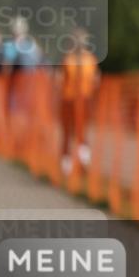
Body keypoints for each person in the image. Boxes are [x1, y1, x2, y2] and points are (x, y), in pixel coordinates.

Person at [59, 28, 100, 176]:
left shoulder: (90, 60)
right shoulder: (68, 59)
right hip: (68, 100)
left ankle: (83, 162)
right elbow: (61, 80)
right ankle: (66, 165)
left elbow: (95, 80)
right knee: (67, 133)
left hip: (84, 100)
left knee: (82, 131)